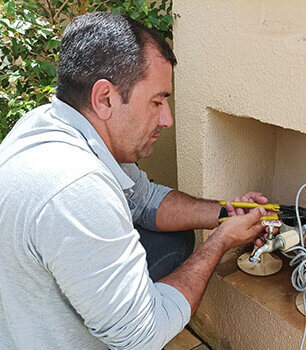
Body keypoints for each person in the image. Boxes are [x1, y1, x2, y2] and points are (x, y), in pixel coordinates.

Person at [0, 12, 270, 350]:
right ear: (105, 99)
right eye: (157, 102)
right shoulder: (77, 189)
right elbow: (142, 339)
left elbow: (142, 198)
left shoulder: (49, 124)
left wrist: (226, 214)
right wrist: (217, 243)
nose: (167, 119)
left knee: (173, 241)